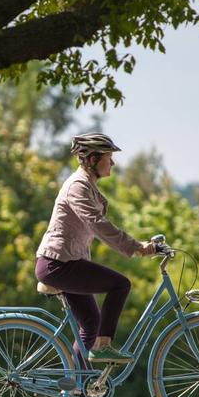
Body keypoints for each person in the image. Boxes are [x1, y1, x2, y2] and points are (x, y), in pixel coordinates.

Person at [35, 132, 157, 366]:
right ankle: (103, 347)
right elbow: (97, 224)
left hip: (66, 263)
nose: (112, 162)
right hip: (58, 265)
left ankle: (77, 385)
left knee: (91, 322)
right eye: (108, 157)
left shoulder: (87, 186)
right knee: (120, 284)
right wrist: (136, 247)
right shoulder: (77, 187)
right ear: (92, 159)